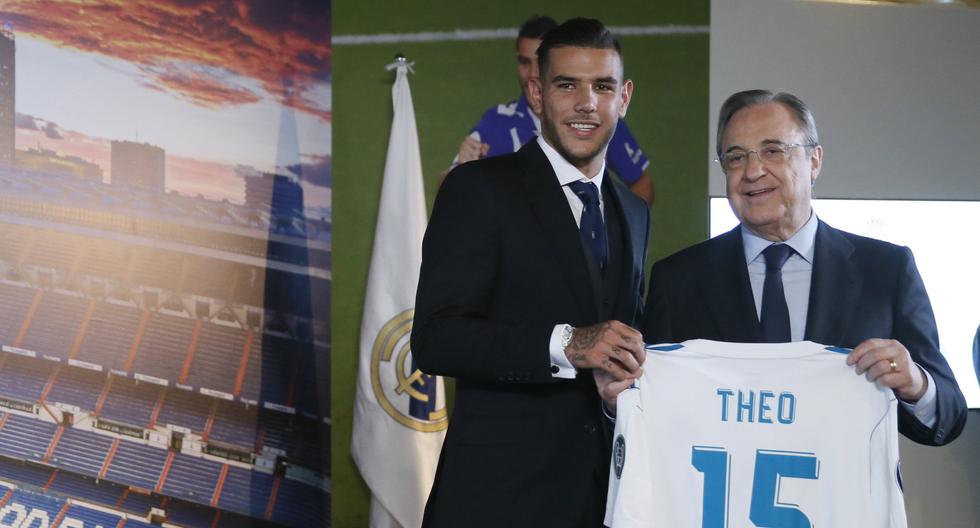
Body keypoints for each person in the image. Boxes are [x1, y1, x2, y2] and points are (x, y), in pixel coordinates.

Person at [412, 18, 650, 527]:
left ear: (623, 97)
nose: (586, 102)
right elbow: (435, 339)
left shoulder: (633, 211)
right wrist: (566, 344)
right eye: (567, 85)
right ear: (537, 94)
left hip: (603, 504)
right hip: (497, 502)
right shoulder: (477, 190)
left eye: (602, 86)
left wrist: (616, 397)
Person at [640, 89, 967, 446]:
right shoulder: (679, 280)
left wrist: (916, 383)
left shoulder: (885, 270)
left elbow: (947, 417)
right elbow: (654, 413)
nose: (752, 171)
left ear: (814, 160)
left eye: (773, 151)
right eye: (735, 158)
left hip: (844, 501)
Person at [440, 15, 655, 205]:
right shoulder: (496, 121)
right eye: (524, 62)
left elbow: (641, 184)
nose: (532, 72)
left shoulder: (594, 121)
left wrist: (619, 234)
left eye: (539, 61)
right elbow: (446, 190)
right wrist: (462, 171)